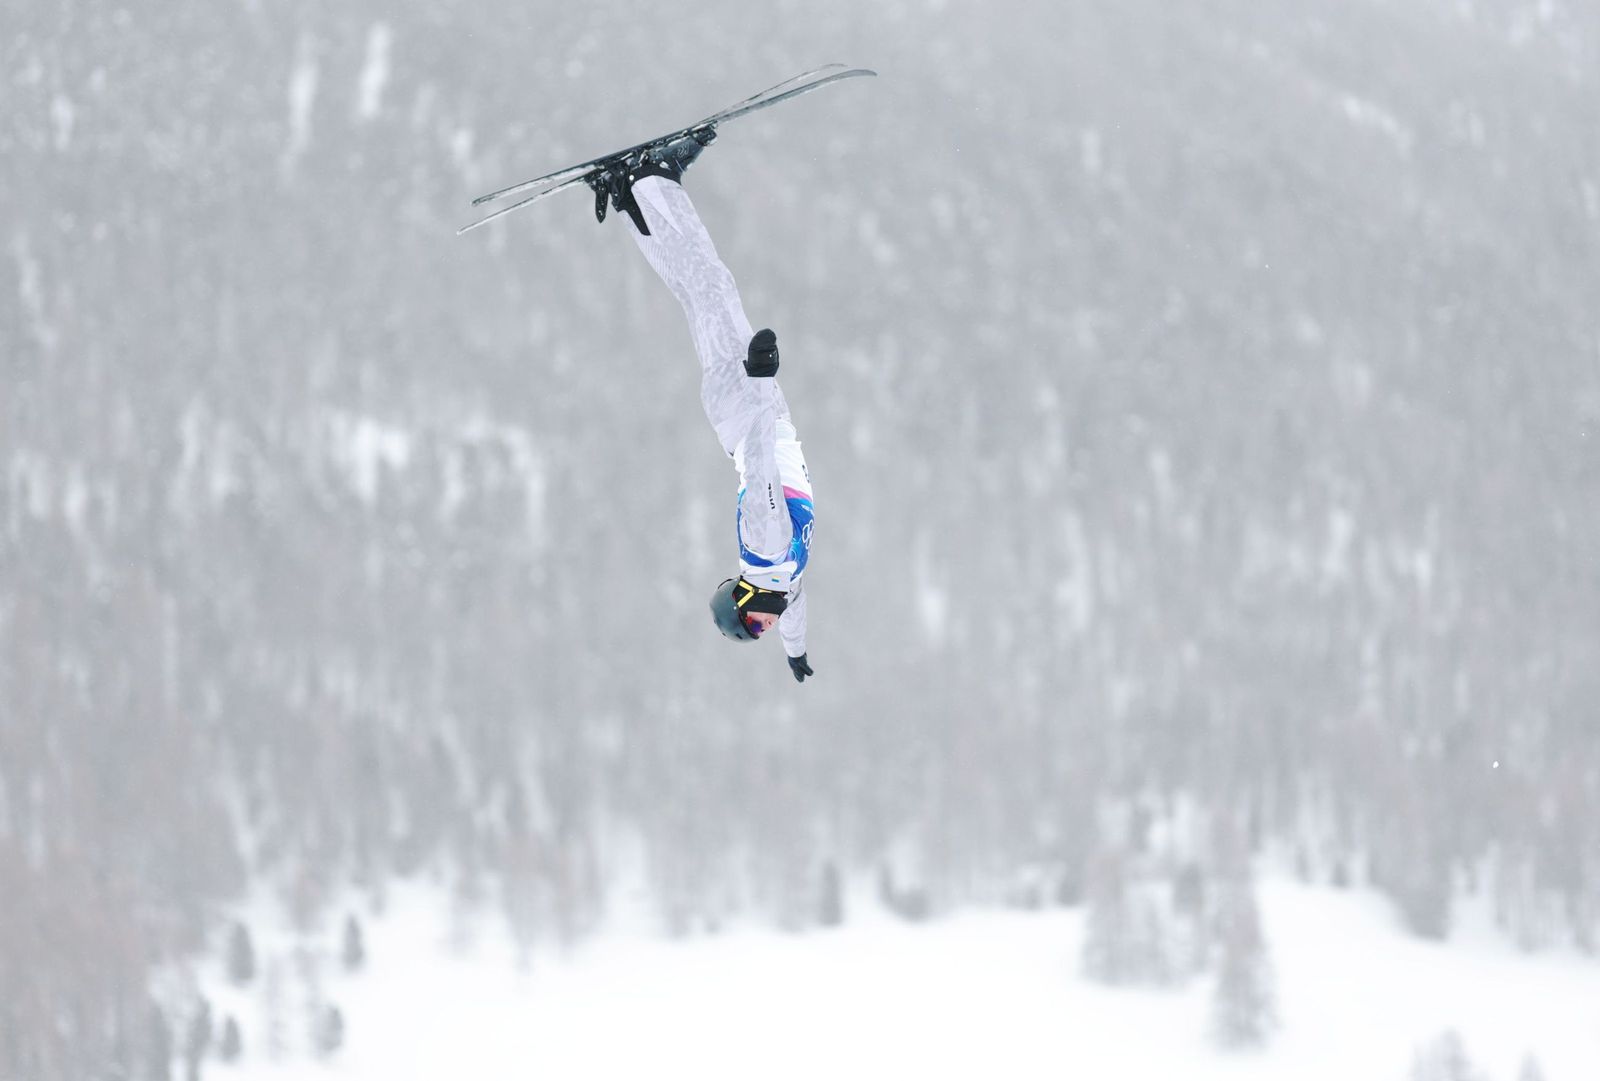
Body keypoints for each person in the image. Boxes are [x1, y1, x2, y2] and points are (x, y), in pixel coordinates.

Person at [606, 132, 816, 683]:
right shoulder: (783, 585)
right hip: (741, 410)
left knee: (710, 285)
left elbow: (764, 454)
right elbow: (795, 607)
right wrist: (793, 650)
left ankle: (651, 182)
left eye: (755, 623)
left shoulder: (766, 546)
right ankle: (633, 195)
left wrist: (762, 378)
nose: (767, 624)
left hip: (746, 405)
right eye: (763, 631)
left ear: (741, 596)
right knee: (700, 291)